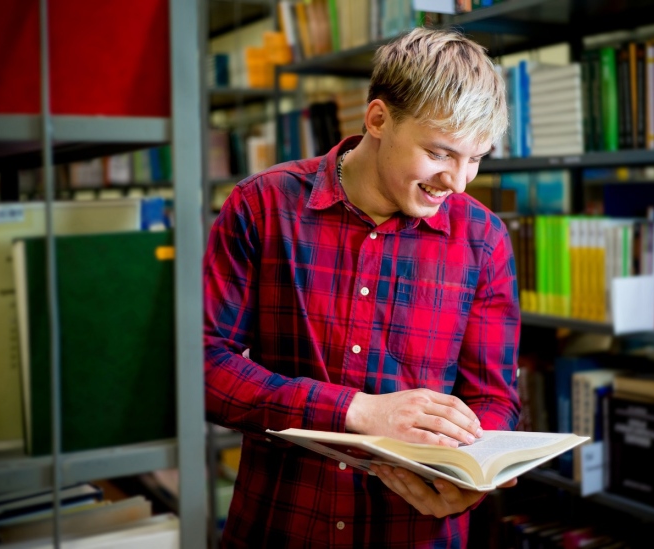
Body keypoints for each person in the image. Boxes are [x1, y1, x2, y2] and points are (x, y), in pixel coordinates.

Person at [204, 26, 520, 549]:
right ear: (378, 119)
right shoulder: (262, 207)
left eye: (477, 158)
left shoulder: (483, 239)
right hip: (280, 526)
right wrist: (356, 410)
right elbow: (203, 367)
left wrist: (471, 481)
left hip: (415, 532)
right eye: (441, 153)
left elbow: (492, 398)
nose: (459, 182)